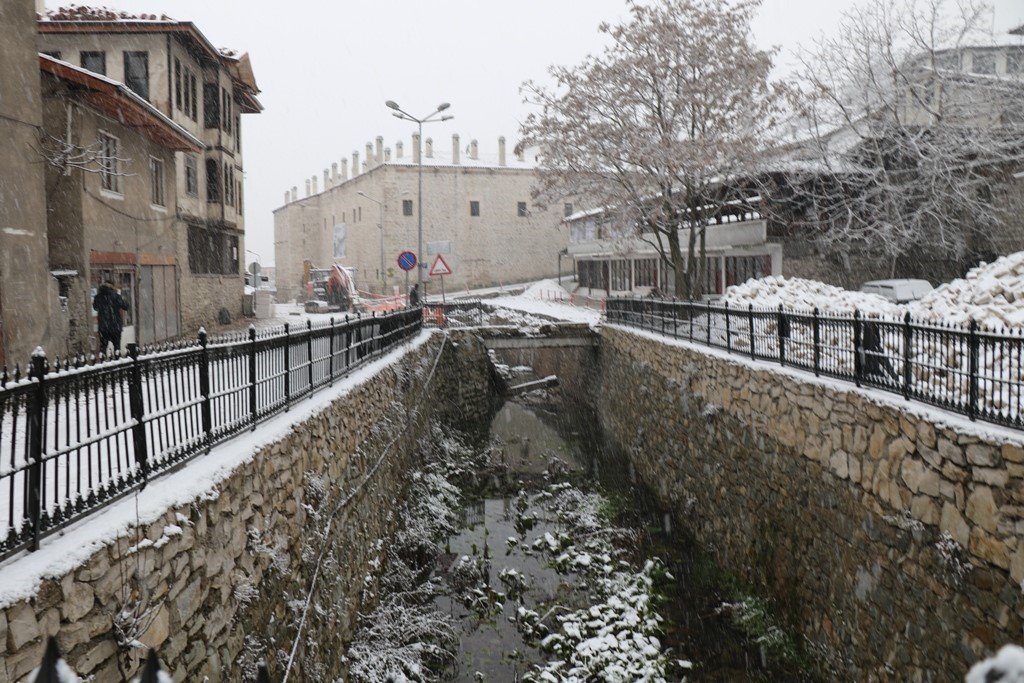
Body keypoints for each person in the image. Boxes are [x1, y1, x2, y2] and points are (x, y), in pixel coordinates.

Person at [93, 281, 129, 355]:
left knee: (103, 347)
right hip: (115, 326)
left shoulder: (98, 297)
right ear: (112, 287)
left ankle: (103, 362)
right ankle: (117, 361)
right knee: (117, 348)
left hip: (103, 327)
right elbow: (126, 306)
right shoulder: (116, 296)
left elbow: (95, 307)